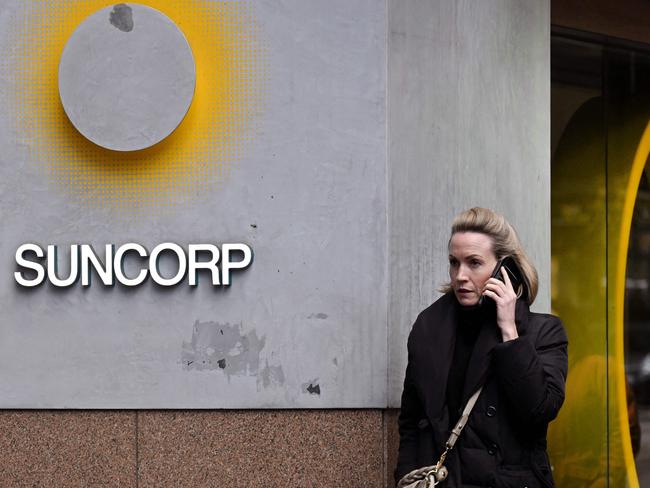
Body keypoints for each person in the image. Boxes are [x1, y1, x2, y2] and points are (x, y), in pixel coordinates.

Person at [395, 207, 568, 488]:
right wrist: (406, 477)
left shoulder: (542, 332)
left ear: (505, 268)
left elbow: (540, 410)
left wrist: (509, 333)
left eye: (474, 262)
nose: (460, 275)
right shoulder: (428, 329)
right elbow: (412, 421)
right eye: (454, 262)